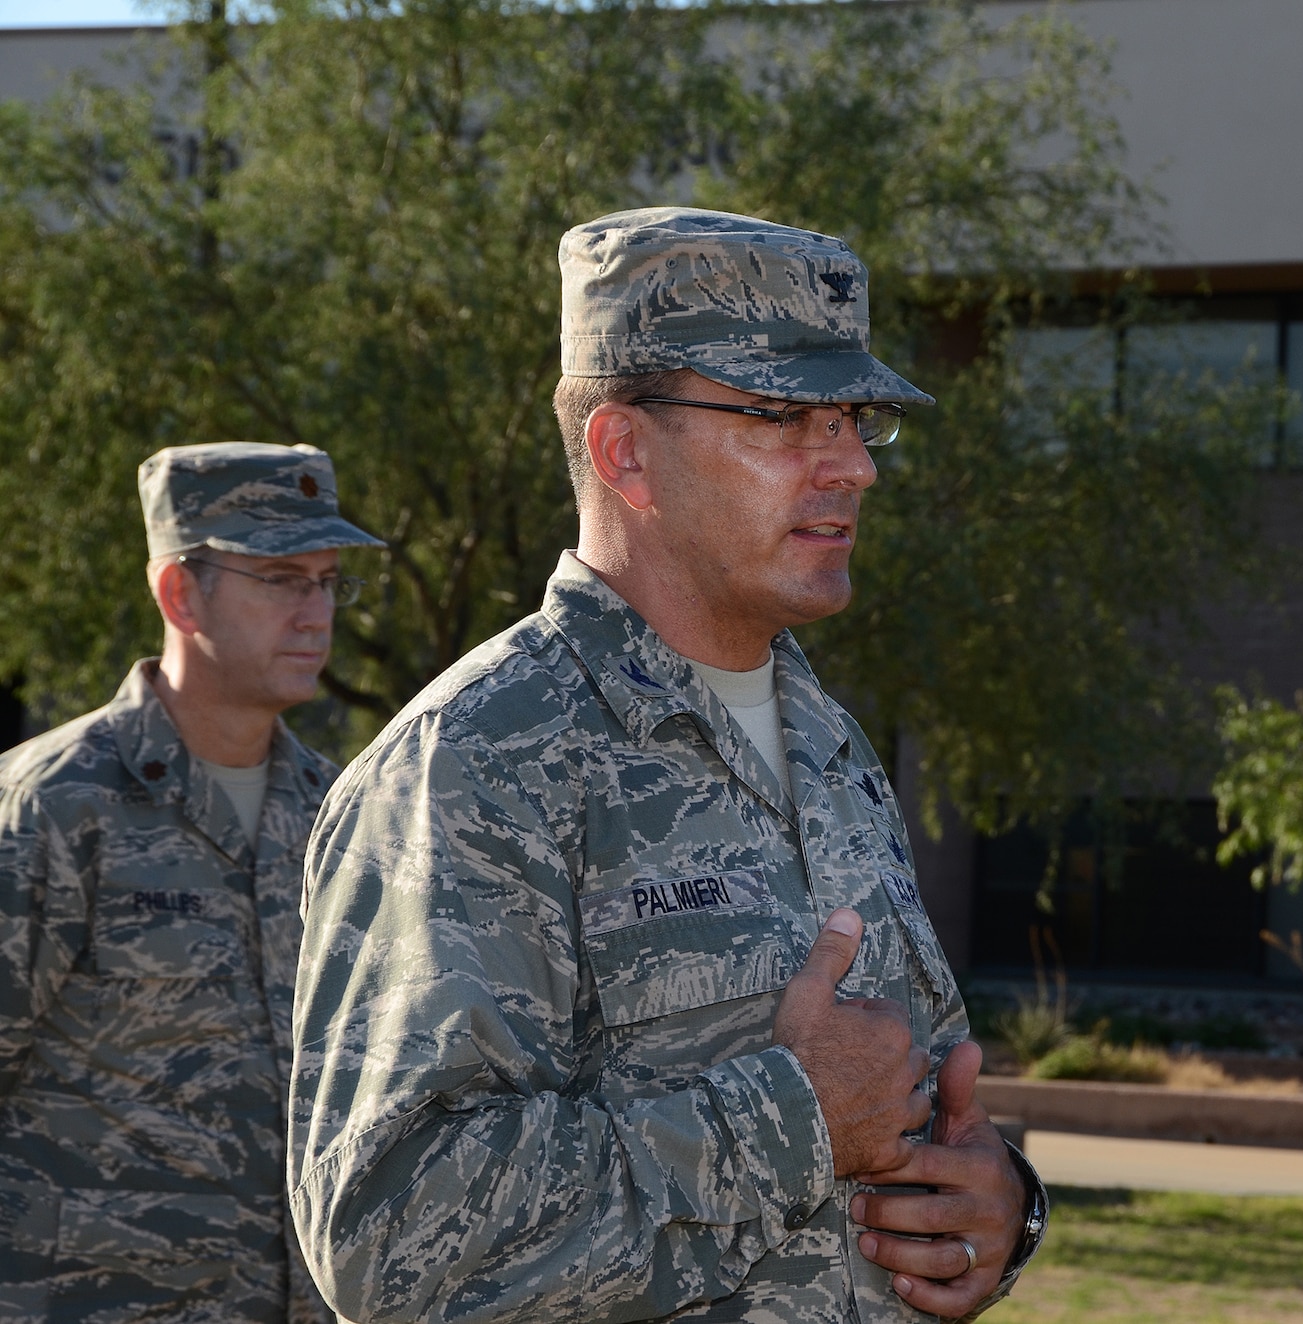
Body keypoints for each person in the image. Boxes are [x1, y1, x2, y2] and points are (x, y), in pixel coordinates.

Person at [289, 207, 1047, 1324]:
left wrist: (995, 1208)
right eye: (785, 416)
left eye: (854, 420)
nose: (849, 467)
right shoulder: (475, 764)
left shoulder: (828, 742)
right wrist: (787, 1119)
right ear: (624, 450)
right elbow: (386, 1241)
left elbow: (899, 1108)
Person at [0, 442, 383, 1322]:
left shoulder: (342, 814)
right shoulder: (56, 809)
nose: (316, 612)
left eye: (328, 581)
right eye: (283, 579)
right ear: (180, 592)